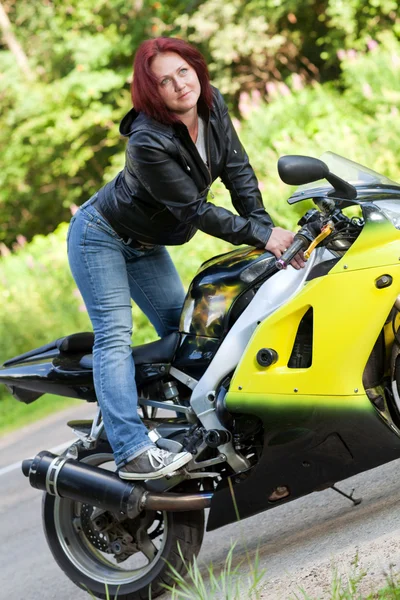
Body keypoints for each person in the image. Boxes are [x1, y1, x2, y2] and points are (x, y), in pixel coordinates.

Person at [67, 36, 304, 481]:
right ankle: (132, 449)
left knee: (190, 333)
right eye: (163, 81)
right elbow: (194, 211)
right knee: (115, 335)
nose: (178, 85)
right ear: (151, 93)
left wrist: (265, 234)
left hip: (147, 242)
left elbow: (238, 175)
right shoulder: (146, 142)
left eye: (183, 71)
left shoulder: (212, 106)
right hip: (101, 237)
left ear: (196, 69)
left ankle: (199, 436)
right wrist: (264, 236)